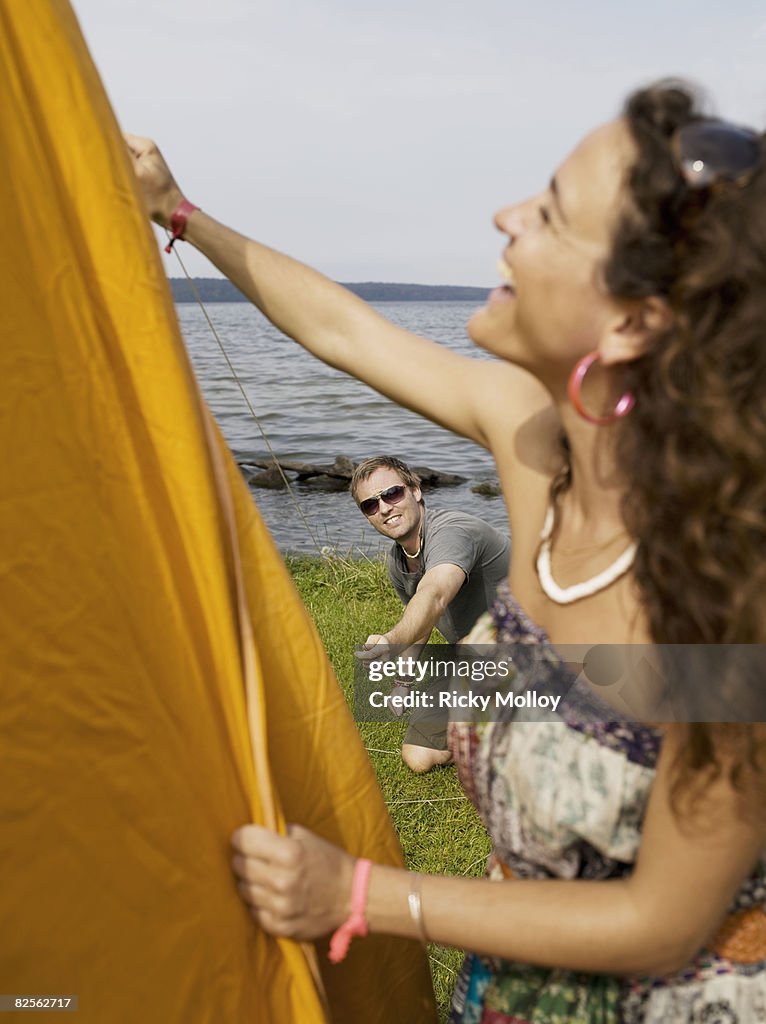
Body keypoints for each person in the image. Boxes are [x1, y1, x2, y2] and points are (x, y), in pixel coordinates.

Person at [127, 80, 766, 1022]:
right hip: (507, 984)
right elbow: (343, 329)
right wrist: (177, 211)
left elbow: (660, 919)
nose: (505, 216)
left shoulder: (726, 583)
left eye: (548, 213)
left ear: (632, 324)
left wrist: (361, 895)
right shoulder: (523, 436)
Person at [351, 454, 511, 772]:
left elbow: (435, 593)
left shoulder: (452, 531)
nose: (384, 508)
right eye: (370, 505)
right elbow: (424, 616)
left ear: (416, 490)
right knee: (419, 757)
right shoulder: (399, 560)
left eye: (392, 493)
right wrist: (403, 681)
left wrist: (392, 640)